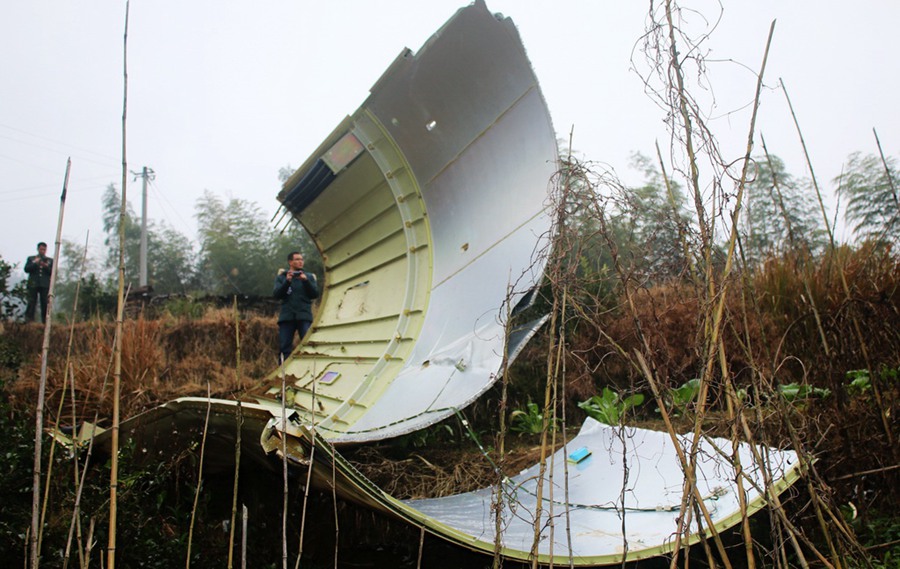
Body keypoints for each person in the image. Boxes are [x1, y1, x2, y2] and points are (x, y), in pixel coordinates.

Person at [273, 251, 319, 363]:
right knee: (285, 347)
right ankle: (284, 373)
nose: (300, 261)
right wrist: (287, 282)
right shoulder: (282, 277)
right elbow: (277, 295)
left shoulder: (308, 277)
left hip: (304, 316)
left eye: (301, 259)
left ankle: (309, 370)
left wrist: (306, 281)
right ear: (290, 262)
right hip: (287, 316)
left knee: (308, 345)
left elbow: (314, 294)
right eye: (297, 259)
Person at [24, 241, 53, 323]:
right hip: (33, 283)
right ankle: (29, 320)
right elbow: (26, 269)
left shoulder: (50, 260)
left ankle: (45, 321)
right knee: (32, 302)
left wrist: (46, 266)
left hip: (44, 284)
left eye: (44, 250)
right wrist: (35, 263)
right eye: (41, 249)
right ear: (38, 249)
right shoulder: (31, 259)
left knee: (44, 303)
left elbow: (53, 272)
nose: (42, 251)